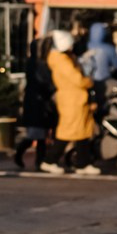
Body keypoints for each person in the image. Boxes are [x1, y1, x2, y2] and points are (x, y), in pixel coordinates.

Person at [46, 27, 99, 174]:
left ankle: (82, 163)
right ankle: (50, 160)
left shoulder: (64, 58)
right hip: (72, 100)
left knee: (82, 132)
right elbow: (77, 79)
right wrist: (89, 81)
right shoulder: (61, 61)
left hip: (76, 99)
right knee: (68, 132)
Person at [14, 36, 57, 171]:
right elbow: (43, 83)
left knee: (40, 135)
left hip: (37, 102)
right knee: (37, 134)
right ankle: (29, 157)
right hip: (38, 103)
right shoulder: (38, 64)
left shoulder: (34, 63)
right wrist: (51, 89)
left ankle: (38, 160)